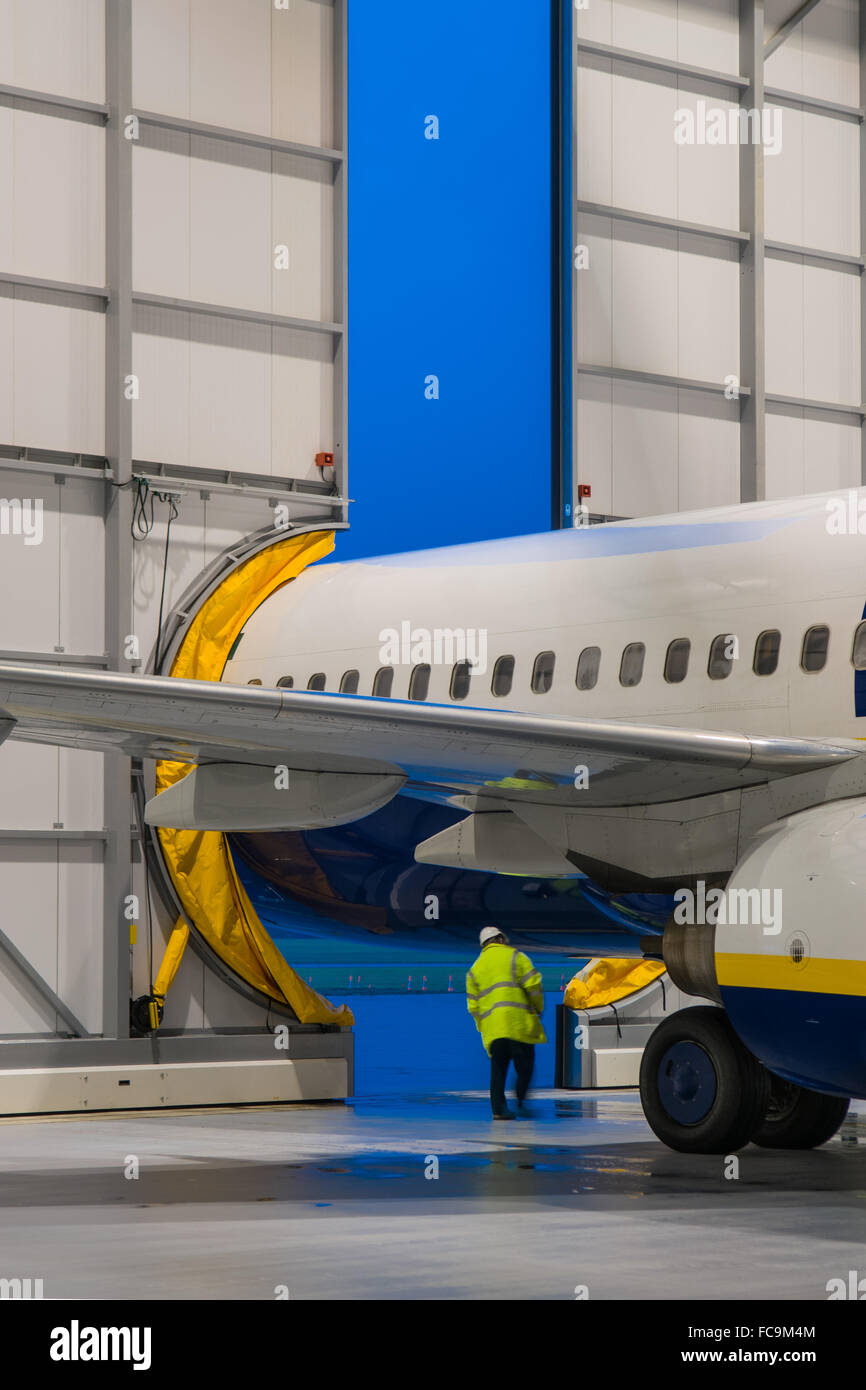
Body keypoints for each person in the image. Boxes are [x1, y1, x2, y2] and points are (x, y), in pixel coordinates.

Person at [466, 926, 546, 1120]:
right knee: (525, 1067)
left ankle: (499, 1110)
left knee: (498, 1070)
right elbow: (533, 985)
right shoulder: (515, 957)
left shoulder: (474, 970)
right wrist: (538, 1008)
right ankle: (519, 1100)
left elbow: (473, 1007)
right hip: (519, 1024)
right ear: (500, 939)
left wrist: (483, 1028)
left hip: (494, 1030)